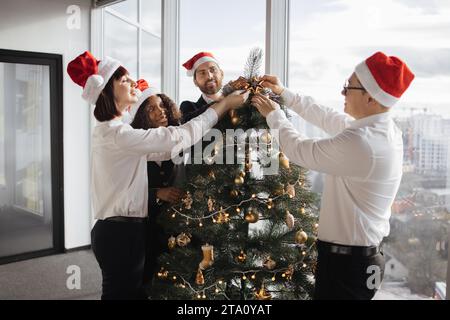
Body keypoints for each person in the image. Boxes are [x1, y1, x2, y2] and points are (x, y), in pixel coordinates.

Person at [67, 51, 248, 300]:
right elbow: (177, 137)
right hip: (120, 234)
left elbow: (169, 146)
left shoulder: (115, 133)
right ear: (107, 91)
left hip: (121, 231)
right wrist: (224, 105)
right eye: (124, 81)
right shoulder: (118, 135)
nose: (133, 83)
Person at [251, 52, 414, 300]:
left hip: (347, 267)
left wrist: (273, 114)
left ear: (370, 96)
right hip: (357, 260)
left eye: (349, 87)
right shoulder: (380, 130)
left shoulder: (364, 143)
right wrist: (285, 93)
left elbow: (299, 150)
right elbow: (327, 116)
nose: (343, 93)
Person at [129, 79, 185, 297]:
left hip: (175, 221)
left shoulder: (178, 137)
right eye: (152, 108)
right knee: (146, 275)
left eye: (162, 105)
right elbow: (125, 188)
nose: (160, 112)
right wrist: (156, 194)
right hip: (144, 223)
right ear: (142, 115)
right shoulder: (133, 144)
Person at [180, 52, 224, 123]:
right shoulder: (189, 107)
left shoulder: (239, 100)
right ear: (195, 81)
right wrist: (225, 102)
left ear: (222, 74)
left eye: (213, 70)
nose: (209, 76)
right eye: (202, 73)